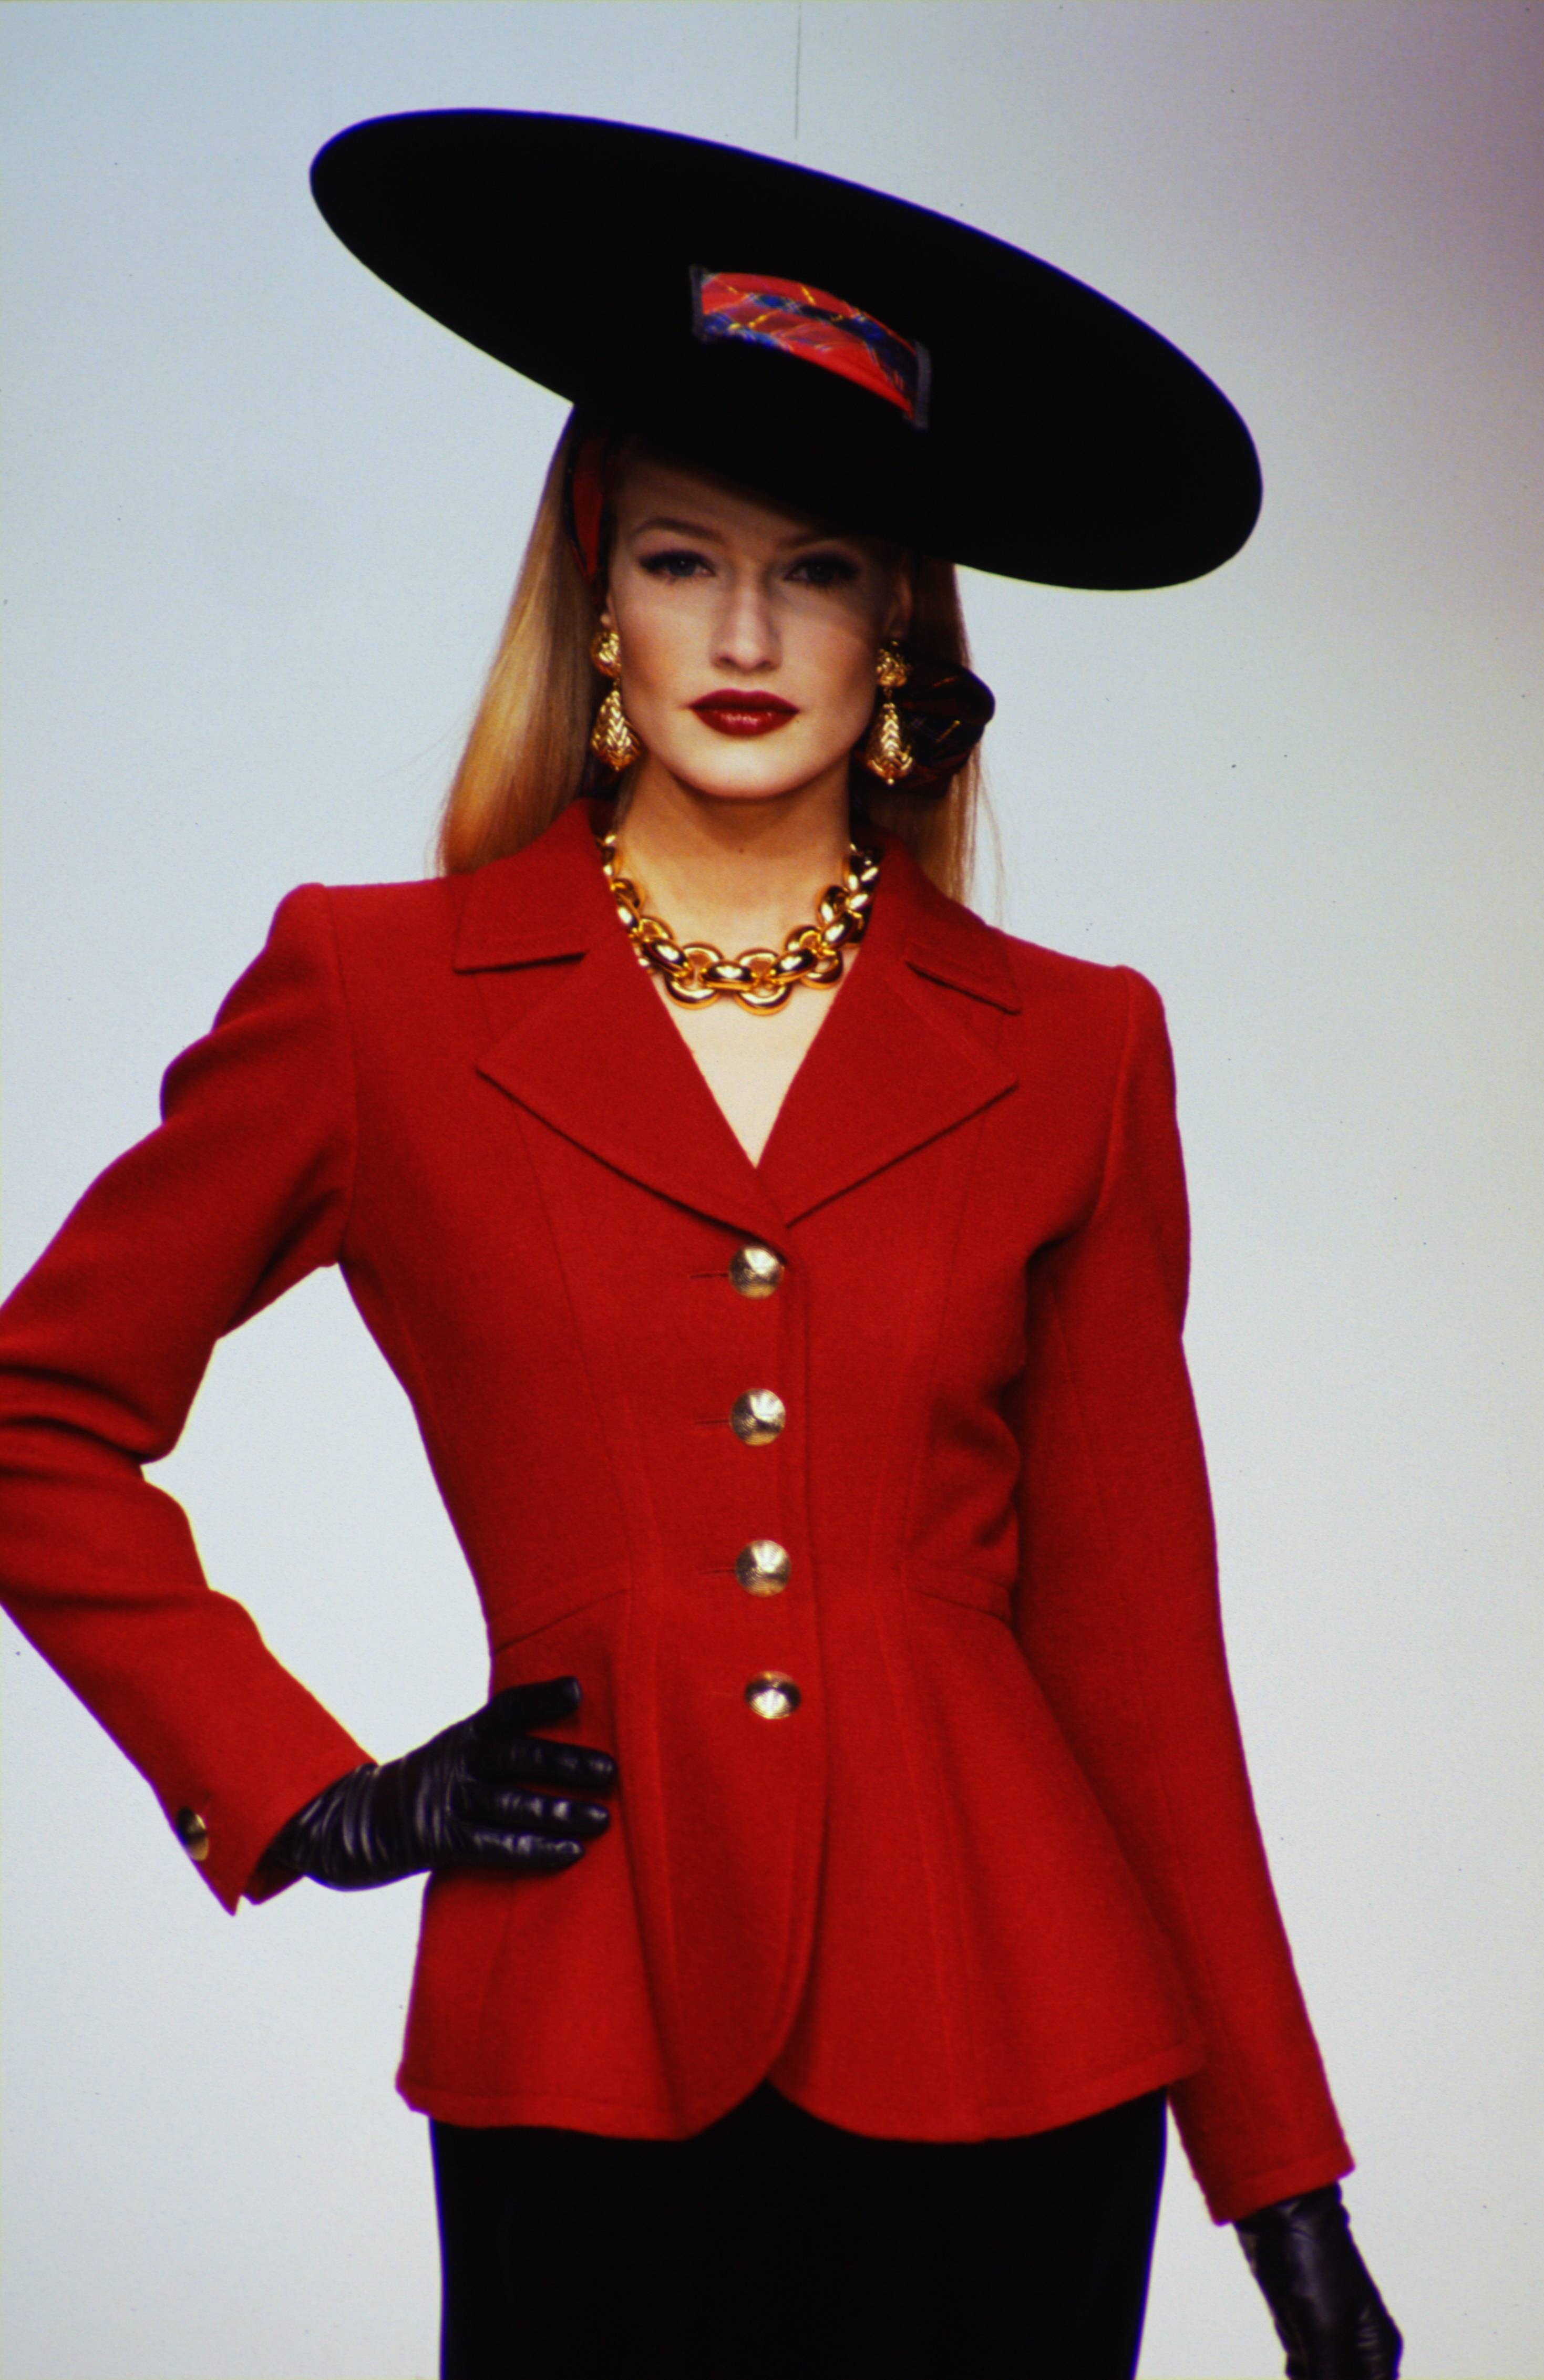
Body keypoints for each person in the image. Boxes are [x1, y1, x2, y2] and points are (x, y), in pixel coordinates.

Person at [0, 111, 1403, 2379]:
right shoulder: (376, 996)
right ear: (598, 596)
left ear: (899, 622)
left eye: (818, 568)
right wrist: (312, 1791)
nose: (745, 634)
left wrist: (1285, 2181)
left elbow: (1141, 1658)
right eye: (682, 557)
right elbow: (36, 1413)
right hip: (584, 2020)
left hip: (1018, 2043)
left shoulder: (1074, 1046)